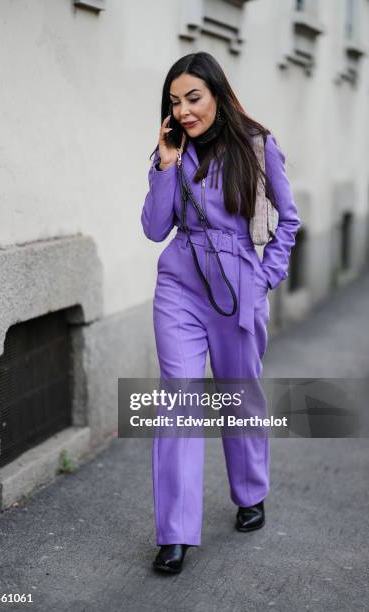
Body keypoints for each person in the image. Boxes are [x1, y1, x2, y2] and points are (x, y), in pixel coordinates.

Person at [140, 52, 301, 574]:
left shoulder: (256, 145)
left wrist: (263, 279)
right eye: (174, 102)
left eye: (193, 98)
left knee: (240, 396)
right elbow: (153, 227)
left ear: (216, 95)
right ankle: (175, 532)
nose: (184, 111)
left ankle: (250, 492)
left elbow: (288, 222)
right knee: (177, 403)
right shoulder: (171, 153)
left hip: (237, 284)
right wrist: (165, 165)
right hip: (179, 284)